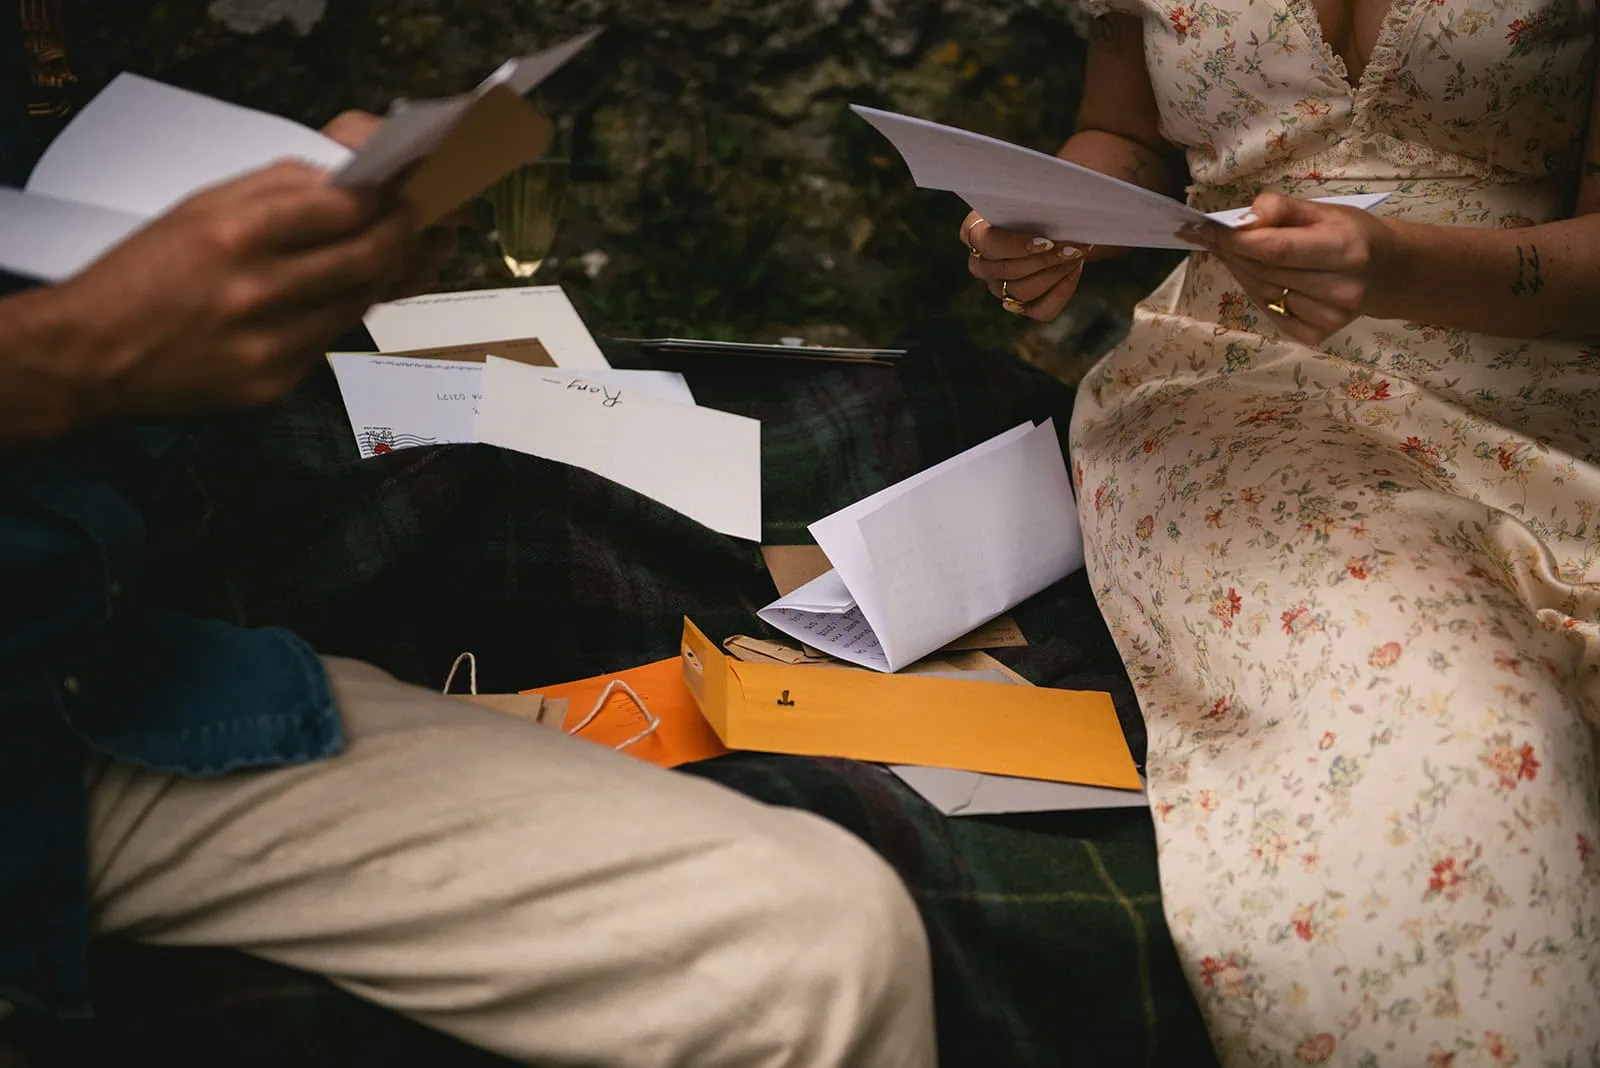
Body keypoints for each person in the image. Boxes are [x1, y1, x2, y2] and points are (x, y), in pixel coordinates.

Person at [0, 12, 936, 1068]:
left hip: (88, 628)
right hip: (51, 716)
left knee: (819, 946)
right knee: (808, 957)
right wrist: (74, 347)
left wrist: (279, 212)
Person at [962, 0, 1600, 1062]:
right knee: (1470, 727)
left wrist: (1402, 265)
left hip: (1538, 384)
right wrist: (1045, 213)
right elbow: (1122, 132)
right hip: (1229, 387)